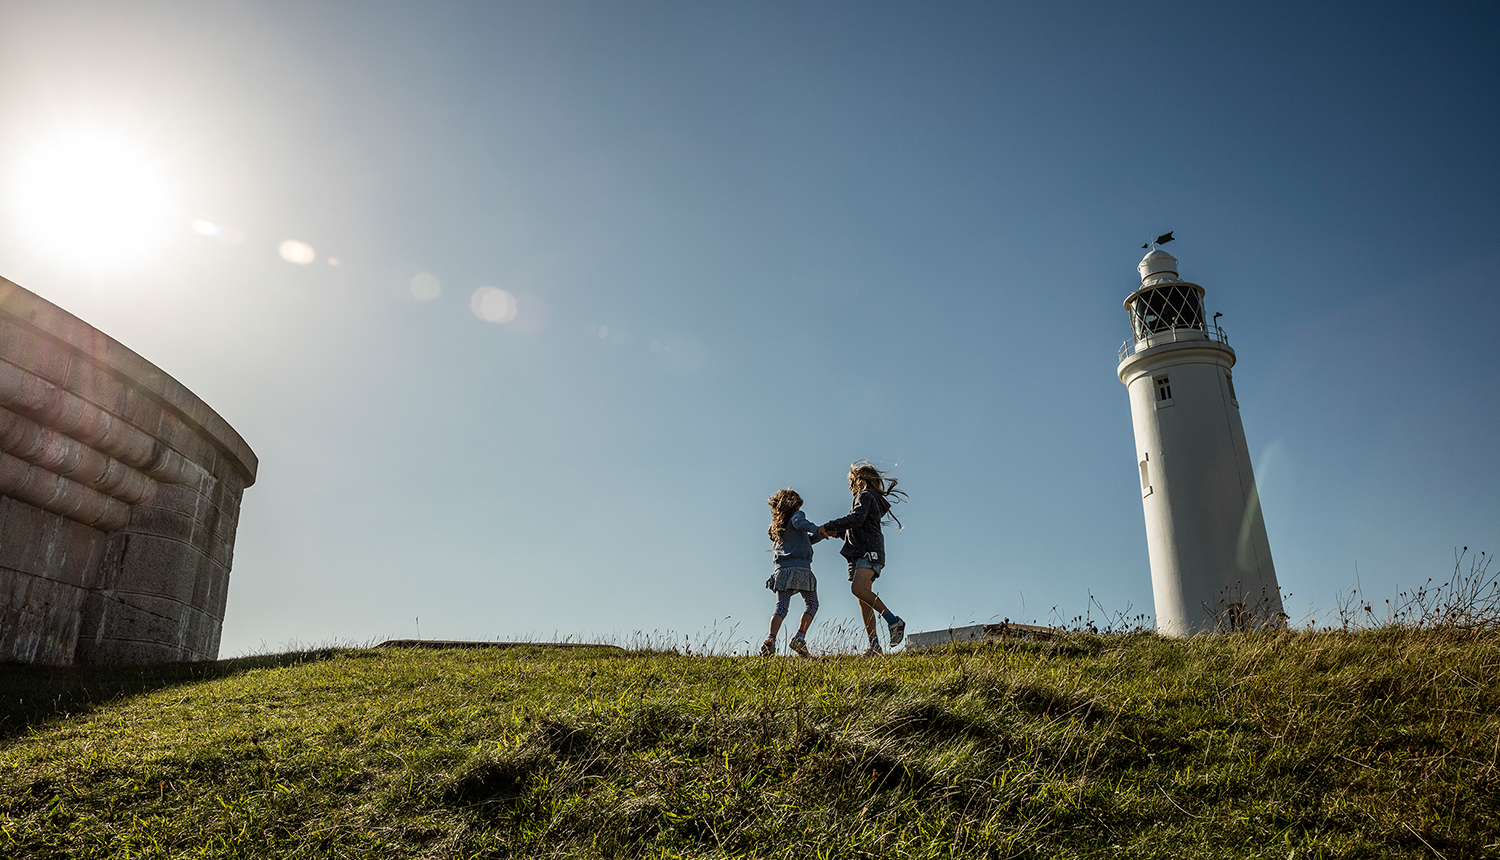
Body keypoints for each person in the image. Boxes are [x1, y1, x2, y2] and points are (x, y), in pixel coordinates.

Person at [818, 462, 907, 655]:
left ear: (860, 480)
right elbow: (859, 527)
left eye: (851, 482)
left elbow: (856, 519)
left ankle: (894, 621)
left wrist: (831, 524)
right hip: (862, 550)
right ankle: (874, 645)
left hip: (868, 551)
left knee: (857, 589)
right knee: (863, 598)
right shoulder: (868, 499)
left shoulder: (864, 496)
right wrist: (838, 533)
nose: (850, 487)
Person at [761, 488, 822, 657]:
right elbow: (800, 523)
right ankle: (799, 638)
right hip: (801, 570)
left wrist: (822, 535)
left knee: (781, 608)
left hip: (783, 572)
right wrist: (817, 529)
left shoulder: (778, 526)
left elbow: (805, 540)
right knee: (812, 604)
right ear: (794, 505)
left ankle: (771, 640)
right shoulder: (797, 516)